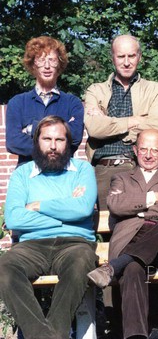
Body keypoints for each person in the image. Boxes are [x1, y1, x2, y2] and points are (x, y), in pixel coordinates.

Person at [86, 129, 158, 339]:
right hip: (132, 242)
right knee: (133, 267)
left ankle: (115, 266)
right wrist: (153, 198)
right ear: (135, 150)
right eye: (143, 149)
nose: (149, 154)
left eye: (155, 150)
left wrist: (136, 209)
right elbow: (115, 205)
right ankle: (136, 336)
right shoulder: (121, 177)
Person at [0, 115, 97, 339]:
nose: (53, 146)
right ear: (36, 142)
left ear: (68, 143)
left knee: (81, 262)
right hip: (31, 247)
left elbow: (83, 209)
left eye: (60, 140)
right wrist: (66, 213)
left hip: (75, 244)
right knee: (5, 267)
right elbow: (14, 218)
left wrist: (37, 206)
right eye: (47, 139)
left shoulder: (82, 170)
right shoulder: (22, 174)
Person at [83, 34, 158, 210]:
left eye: (131, 56)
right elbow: (94, 128)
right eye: (121, 56)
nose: (127, 62)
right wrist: (134, 121)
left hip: (142, 167)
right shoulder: (95, 90)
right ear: (112, 57)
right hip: (104, 170)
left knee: (145, 225)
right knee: (107, 227)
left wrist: (108, 122)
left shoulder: (155, 89)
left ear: (139, 57)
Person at [6, 36, 84, 165]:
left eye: (52, 60)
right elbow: (13, 142)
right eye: (41, 60)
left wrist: (32, 129)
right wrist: (59, 139)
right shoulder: (17, 102)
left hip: (62, 176)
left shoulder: (72, 102)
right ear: (33, 65)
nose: (47, 66)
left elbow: (75, 138)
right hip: (28, 175)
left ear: (59, 64)